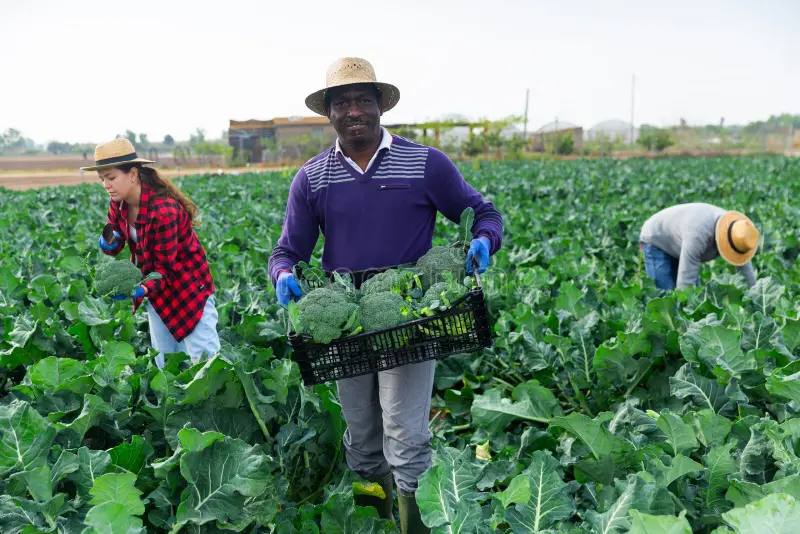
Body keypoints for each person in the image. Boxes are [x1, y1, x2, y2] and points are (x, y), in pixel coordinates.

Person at [268, 57, 503, 532]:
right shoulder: (311, 178)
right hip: (345, 322)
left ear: (380, 106)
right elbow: (287, 249)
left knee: (405, 433)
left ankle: (413, 525)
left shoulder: (425, 163)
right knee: (361, 438)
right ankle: (373, 522)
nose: (354, 110)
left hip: (408, 315)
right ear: (329, 113)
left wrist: (483, 240)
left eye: (363, 100)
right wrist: (282, 273)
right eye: (342, 103)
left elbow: (483, 213)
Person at [82, 138, 220, 368]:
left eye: (111, 177)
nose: (106, 185)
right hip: (158, 294)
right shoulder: (118, 201)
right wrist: (108, 241)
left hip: (189, 290)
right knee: (165, 363)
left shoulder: (164, 211)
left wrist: (139, 288)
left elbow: (165, 269)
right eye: (102, 179)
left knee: (204, 364)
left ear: (133, 174)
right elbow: (114, 233)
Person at [638, 202, 760, 290]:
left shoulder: (739, 233)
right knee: (663, 294)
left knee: (696, 293)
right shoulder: (698, 235)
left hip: (679, 239)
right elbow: (686, 282)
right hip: (656, 238)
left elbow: (745, 271)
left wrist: (755, 296)